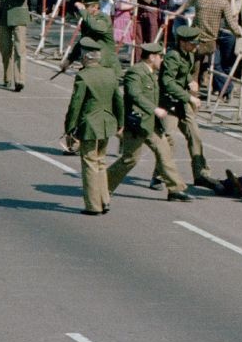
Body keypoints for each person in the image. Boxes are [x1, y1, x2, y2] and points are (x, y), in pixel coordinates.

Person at [105, 42, 193, 202]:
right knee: (130, 159)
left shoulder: (152, 73)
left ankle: (175, 189)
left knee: (165, 154)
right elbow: (134, 94)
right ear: (152, 57)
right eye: (160, 56)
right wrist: (154, 109)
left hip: (151, 125)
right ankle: (104, 185)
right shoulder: (135, 72)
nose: (162, 60)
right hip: (137, 124)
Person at [63, 38, 125, 214]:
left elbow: (76, 104)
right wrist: (120, 123)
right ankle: (104, 199)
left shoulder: (83, 76)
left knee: (89, 163)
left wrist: (69, 127)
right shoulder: (109, 74)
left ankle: (93, 205)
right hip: (106, 122)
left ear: (85, 57)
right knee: (101, 162)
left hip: (89, 124)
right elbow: (118, 100)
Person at [161, 24, 217, 190]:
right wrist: (189, 97)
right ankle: (160, 174)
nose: (196, 46)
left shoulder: (189, 55)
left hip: (182, 101)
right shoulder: (172, 56)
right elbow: (167, 82)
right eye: (192, 43)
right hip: (168, 102)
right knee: (168, 138)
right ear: (183, 42)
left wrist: (189, 81)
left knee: (195, 135)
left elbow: (184, 71)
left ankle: (200, 173)